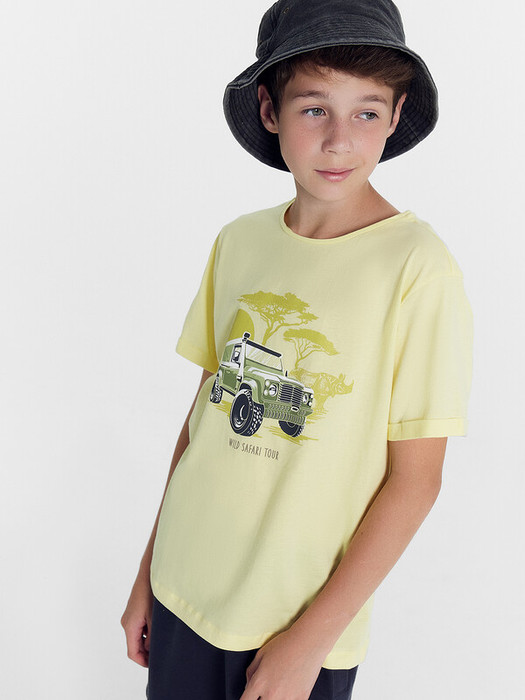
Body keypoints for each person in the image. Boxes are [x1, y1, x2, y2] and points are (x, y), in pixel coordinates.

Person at [121, 1, 473, 698]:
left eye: (366, 113)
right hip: (184, 588)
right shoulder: (240, 241)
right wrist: (148, 574)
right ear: (270, 109)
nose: (339, 141)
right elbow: (203, 421)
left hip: (295, 626)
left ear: (396, 116)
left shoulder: (416, 267)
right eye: (315, 109)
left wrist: (310, 641)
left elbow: (415, 481)